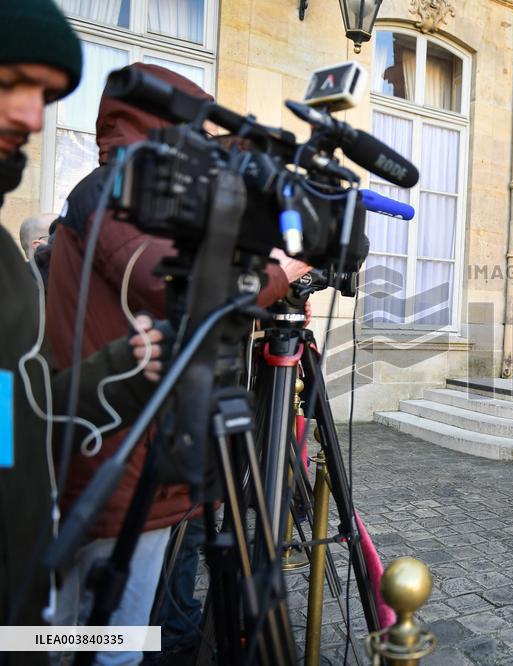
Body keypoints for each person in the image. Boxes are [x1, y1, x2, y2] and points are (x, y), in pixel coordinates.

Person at [45, 63, 308, 665]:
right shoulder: (121, 192)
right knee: (111, 642)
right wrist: (287, 268)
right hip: (119, 457)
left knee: (73, 631)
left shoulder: (111, 189)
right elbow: (188, 291)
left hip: (116, 449)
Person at [0, 0, 163, 654]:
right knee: (121, 641)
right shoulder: (102, 205)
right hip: (104, 507)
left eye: (43, 94)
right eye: (9, 82)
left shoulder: (7, 263)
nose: (31, 116)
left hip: (24, 596)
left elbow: (9, 422)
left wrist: (118, 369)